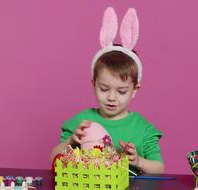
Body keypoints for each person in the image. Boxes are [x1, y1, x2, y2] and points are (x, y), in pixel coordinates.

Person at [51, 7, 164, 174]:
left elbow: (159, 168)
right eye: (104, 89)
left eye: (122, 91)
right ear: (93, 84)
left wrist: (138, 161)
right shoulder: (81, 122)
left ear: (134, 89)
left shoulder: (142, 128)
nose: (112, 97)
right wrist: (71, 141)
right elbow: (53, 157)